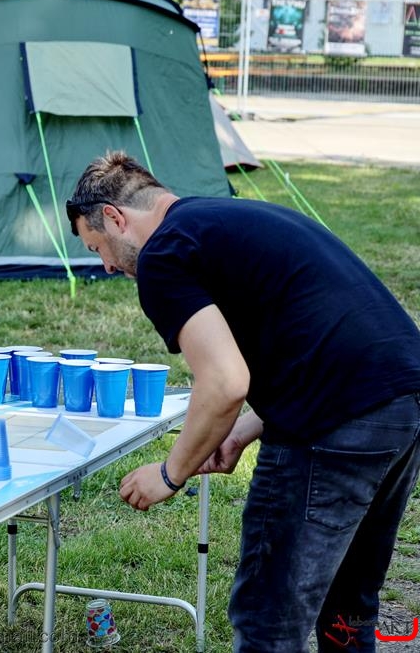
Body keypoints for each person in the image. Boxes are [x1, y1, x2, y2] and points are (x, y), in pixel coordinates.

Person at [66, 151, 420, 653]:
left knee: (268, 621)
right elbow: (309, 338)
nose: (105, 265)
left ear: (115, 218)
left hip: (335, 423)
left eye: (97, 245)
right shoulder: (224, 219)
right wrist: (245, 428)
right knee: (347, 610)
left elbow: (225, 382)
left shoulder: (165, 253)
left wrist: (170, 473)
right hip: (402, 403)